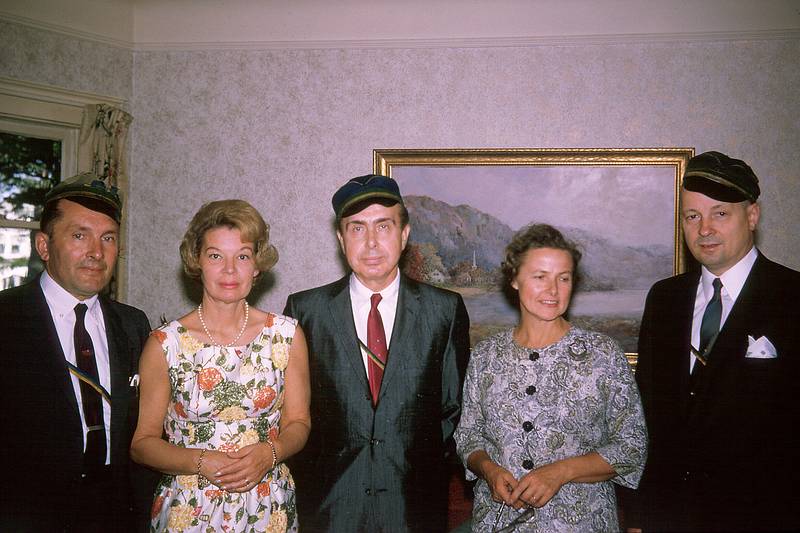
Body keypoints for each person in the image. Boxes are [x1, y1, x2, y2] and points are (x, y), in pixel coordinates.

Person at [283, 174, 470, 532]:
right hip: (330, 507)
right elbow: (293, 411)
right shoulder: (305, 311)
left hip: (413, 506)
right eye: (356, 229)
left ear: (404, 235)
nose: (370, 243)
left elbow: (452, 409)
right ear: (340, 239)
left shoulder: (443, 310)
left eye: (383, 226)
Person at [624, 151, 800, 532]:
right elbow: (647, 417)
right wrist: (639, 515)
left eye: (720, 213)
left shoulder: (792, 297)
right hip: (669, 517)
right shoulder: (664, 299)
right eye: (692, 216)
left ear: (751, 215)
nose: (704, 229)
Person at [130, 200, 310, 532]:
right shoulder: (163, 344)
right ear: (196, 261)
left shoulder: (286, 335)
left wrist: (271, 453)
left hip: (268, 505)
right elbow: (142, 444)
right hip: (189, 507)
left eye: (242, 256)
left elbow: (299, 423)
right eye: (215, 256)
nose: (230, 270)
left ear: (257, 266)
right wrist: (200, 462)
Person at [455, 223, 647, 532]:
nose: (553, 290)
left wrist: (561, 471)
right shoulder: (485, 356)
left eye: (564, 278)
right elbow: (468, 437)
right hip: (498, 522)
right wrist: (487, 469)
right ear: (515, 279)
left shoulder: (603, 354)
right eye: (540, 276)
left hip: (583, 523)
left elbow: (631, 445)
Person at [0, 173, 156, 531]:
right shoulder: (7, 319)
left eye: (108, 238)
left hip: (117, 516)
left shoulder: (133, 325)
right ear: (43, 246)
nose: (96, 252)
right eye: (79, 235)